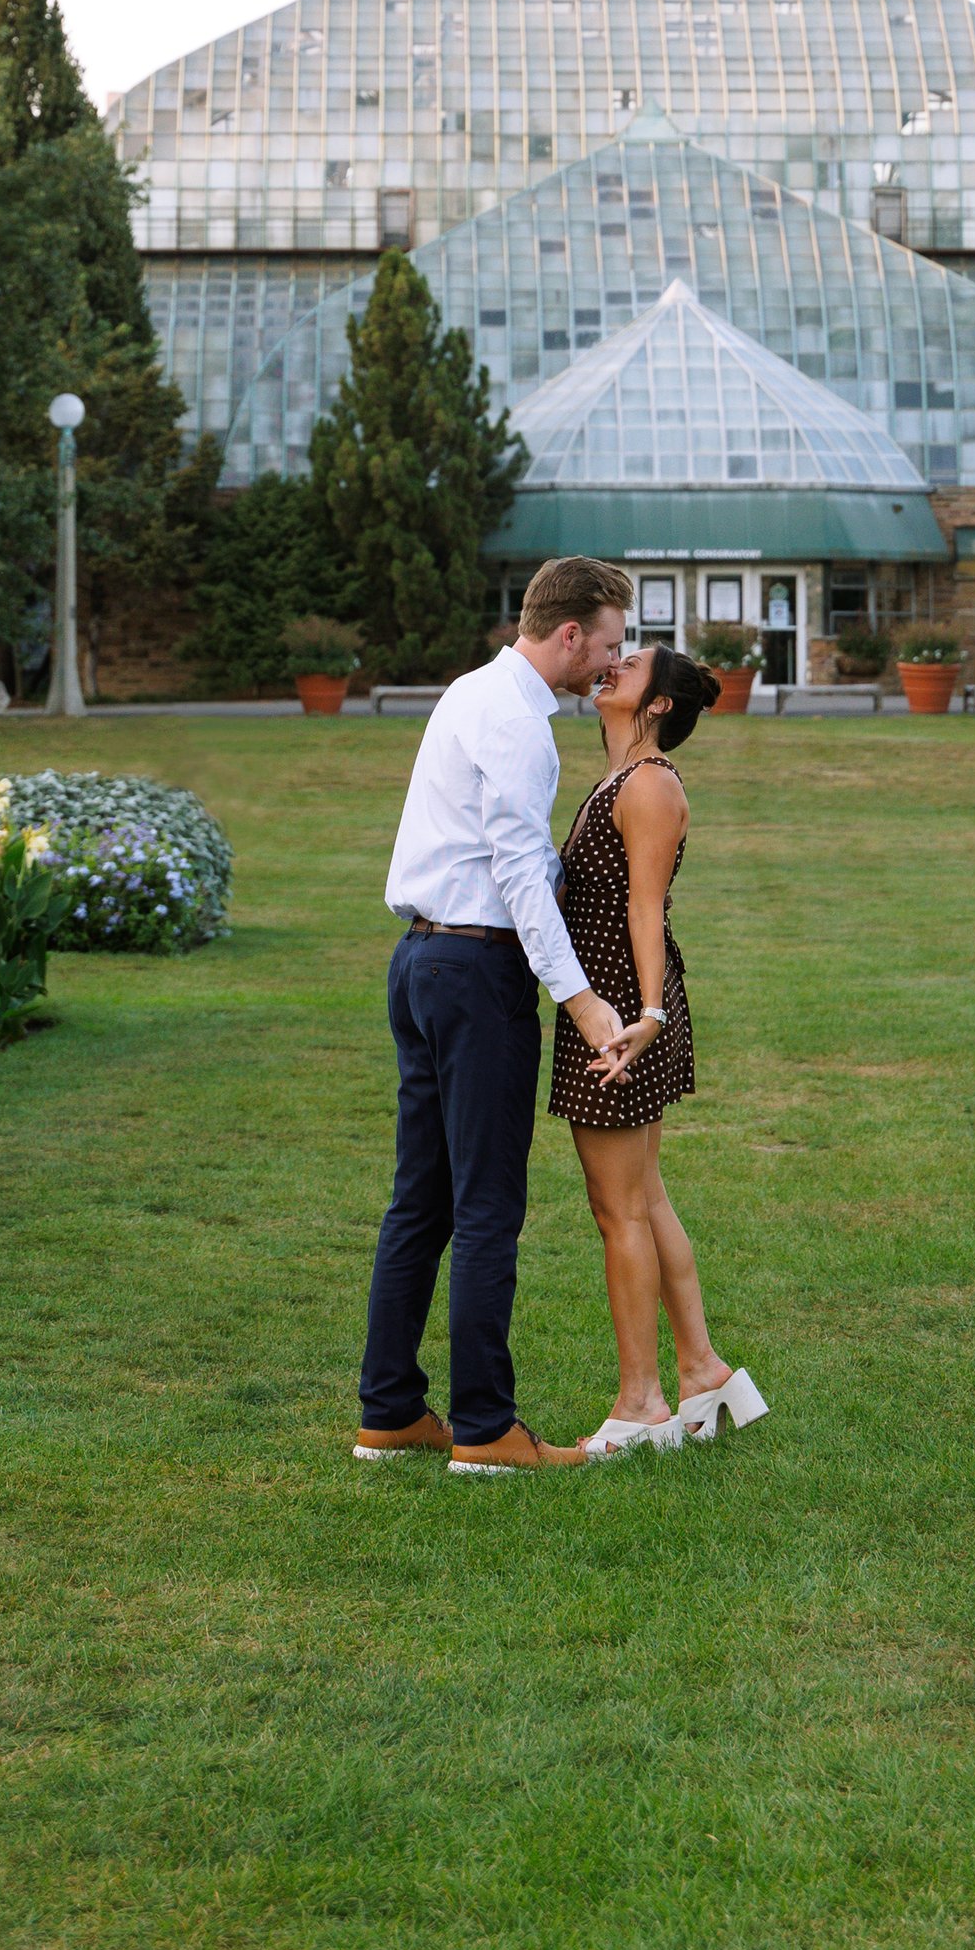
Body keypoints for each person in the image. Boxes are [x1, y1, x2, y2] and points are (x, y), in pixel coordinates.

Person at [353, 555, 637, 1476]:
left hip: (420, 964)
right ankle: (484, 1429)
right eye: (608, 643)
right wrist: (583, 999)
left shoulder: (470, 691)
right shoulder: (519, 723)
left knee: (420, 1202)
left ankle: (391, 1414)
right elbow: (516, 873)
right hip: (476, 974)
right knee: (484, 1207)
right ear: (568, 635)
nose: (611, 661)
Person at [550, 641, 770, 1458]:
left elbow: (647, 909)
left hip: (617, 1017)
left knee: (620, 1210)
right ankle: (704, 1371)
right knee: (644, 1196)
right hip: (619, 1009)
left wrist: (643, 1017)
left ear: (657, 705)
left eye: (630, 665)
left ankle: (642, 1403)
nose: (611, 665)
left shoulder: (646, 786)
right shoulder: (621, 778)